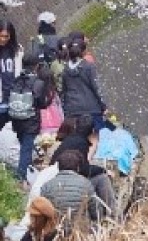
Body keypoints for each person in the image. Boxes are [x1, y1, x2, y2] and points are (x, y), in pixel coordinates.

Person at [9, 54, 52, 182]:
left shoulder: (16, 80)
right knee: (26, 150)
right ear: (37, 66)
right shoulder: (38, 83)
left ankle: (27, 171)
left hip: (16, 119)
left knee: (25, 146)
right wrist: (49, 98)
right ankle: (21, 178)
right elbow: (41, 104)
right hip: (30, 121)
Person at [59, 33, 110, 133]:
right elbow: (96, 87)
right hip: (92, 108)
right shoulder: (89, 67)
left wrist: (65, 110)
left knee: (79, 137)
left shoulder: (65, 70)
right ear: (84, 52)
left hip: (73, 109)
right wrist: (104, 106)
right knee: (101, 135)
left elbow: (64, 92)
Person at [40, 149, 100, 227]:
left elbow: (41, 214)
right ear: (78, 168)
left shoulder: (47, 186)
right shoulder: (87, 184)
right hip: (80, 233)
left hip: (54, 232)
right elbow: (96, 213)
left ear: (58, 167)